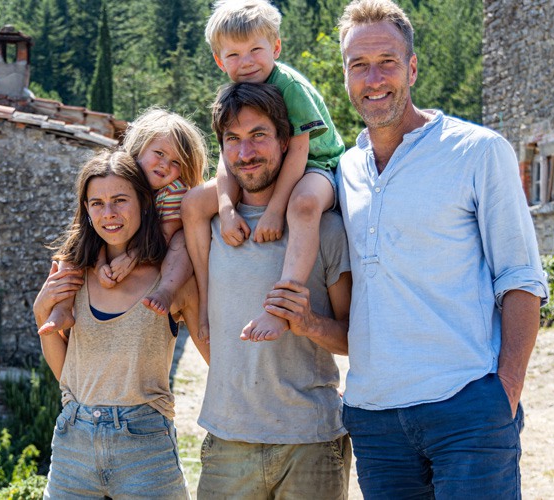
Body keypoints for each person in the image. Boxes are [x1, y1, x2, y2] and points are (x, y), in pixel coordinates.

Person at [335, 0, 549, 497]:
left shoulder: (478, 150)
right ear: (346, 76)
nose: (373, 79)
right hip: (375, 420)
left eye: (387, 61)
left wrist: (505, 391)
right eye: (358, 66)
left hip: (467, 408)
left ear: (412, 67)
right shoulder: (345, 169)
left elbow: (521, 277)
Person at [195, 81, 352, 498]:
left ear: (286, 142)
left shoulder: (326, 228)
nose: (246, 153)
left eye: (259, 136)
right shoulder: (207, 230)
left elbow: (354, 338)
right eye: (233, 140)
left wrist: (309, 324)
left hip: (312, 442)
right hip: (226, 442)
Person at [33, 150, 204, 498]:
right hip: (73, 442)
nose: (108, 214)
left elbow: (213, 349)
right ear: (85, 209)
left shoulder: (171, 278)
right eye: (96, 203)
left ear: (143, 203)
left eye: (119, 200)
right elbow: (69, 376)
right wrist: (41, 311)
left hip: (145, 446)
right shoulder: (72, 272)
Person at [182, 0, 345, 343]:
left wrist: (274, 211)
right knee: (195, 203)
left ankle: (282, 305)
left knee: (302, 206)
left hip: (319, 164)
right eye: (234, 55)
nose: (247, 62)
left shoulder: (289, 86)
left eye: (256, 49)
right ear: (219, 60)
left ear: (276, 47)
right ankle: (207, 298)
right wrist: (226, 209)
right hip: (270, 163)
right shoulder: (235, 93)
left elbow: (300, 150)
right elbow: (227, 157)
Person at [39, 109, 208, 335]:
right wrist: (99, 267)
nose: (165, 165)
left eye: (176, 162)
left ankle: (166, 291)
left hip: (156, 245)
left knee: (182, 240)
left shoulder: (174, 190)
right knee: (74, 244)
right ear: (138, 149)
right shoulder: (119, 176)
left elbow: (165, 235)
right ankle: (62, 308)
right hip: (117, 241)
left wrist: (131, 258)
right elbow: (93, 229)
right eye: (159, 153)